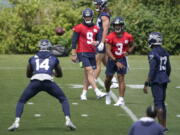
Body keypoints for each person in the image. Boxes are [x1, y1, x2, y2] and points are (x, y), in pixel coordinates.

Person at [8, 39, 76, 131]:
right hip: (48, 81)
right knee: (63, 99)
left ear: (39, 47)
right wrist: (52, 73)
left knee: (21, 101)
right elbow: (60, 74)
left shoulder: (32, 58)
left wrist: (37, 72)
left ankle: (16, 122)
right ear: (49, 47)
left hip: (35, 82)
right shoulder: (53, 58)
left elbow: (28, 74)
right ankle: (68, 120)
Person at [71, 8, 106, 100]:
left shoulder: (96, 28)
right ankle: (97, 92)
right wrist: (74, 54)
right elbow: (74, 41)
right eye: (86, 17)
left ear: (92, 16)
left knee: (88, 75)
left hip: (92, 53)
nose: (87, 18)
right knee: (90, 71)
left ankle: (83, 94)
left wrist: (97, 42)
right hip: (82, 52)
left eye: (89, 16)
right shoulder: (78, 27)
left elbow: (99, 40)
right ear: (83, 17)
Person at [104, 16, 135, 105]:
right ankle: (108, 93)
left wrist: (129, 51)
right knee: (108, 79)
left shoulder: (128, 36)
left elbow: (133, 45)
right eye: (115, 25)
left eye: (119, 25)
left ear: (122, 25)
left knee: (121, 78)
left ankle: (121, 99)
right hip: (112, 59)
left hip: (122, 58)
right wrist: (115, 61)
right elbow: (108, 50)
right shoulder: (110, 36)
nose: (117, 27)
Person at [143, 32, 171, 130]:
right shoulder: (164, 51)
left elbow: (152, 69)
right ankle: (164, 126)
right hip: (164, 79)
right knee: (162, 103)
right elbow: (168, 68)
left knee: (158, 103)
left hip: (157, 80)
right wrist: (165, 77)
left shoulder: (152, 53)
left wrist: (146, 83)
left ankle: (160, 127)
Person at [93, 0, 119, 88]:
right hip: (100, 40)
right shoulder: (101, 14)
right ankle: (114, 80)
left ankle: (92, 82)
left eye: (97, 4)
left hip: (102, 41)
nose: (96, 6)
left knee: (97, 62)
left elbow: (105, 30)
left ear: (102, 5)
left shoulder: (104, 15)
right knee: (106, 63)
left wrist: (102, 42)